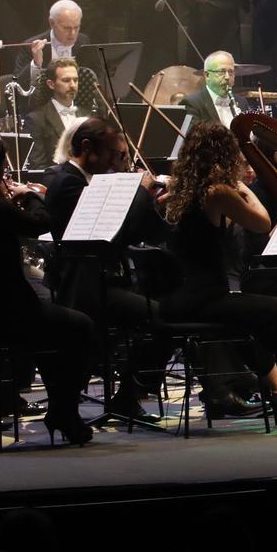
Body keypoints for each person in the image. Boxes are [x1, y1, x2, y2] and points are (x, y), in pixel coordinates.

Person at [159, 123, 277, 426]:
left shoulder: (183, 190)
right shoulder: (218, 191)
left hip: (179, 297)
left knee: (258, 316)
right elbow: (263, 223)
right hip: (208, 299)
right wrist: (242, 187)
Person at [0, 126, 98, 445]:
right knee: (82, 327)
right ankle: (63, 410)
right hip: (6, 314)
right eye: (2, 165)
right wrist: (31, 195)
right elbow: (42, 224)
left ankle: (59, 410)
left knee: (53, 332)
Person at [43, 115, 168, 418]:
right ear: (87, 147)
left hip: (105, 279)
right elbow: (108, 237)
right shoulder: (67, 182)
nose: (119, 164)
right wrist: (139, 191)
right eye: (115, 155)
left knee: (167, 303)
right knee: (164, 320)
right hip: (83, 285)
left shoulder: (91, 180)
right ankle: (130, 393)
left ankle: (128, 393)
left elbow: (141, 233)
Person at [25, 55, 83, 173]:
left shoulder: (88, 115)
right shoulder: (36, 120)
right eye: (66, 80)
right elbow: (38, 167)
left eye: (75, 80)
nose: (73, 85)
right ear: (51, 84)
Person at [181, 52, 256, 132]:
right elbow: (193, 140)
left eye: (230, 72)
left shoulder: (241, 102)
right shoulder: (192, 104)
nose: (227, 77)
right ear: (207, 75)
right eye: (222, 72)